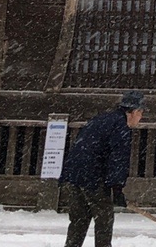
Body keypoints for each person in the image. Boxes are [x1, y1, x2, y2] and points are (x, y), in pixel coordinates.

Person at [61, 90, 144, 247]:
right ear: (133, 112)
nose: (141, 118)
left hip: (74, 174)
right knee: (104, 218)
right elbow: (118, 158)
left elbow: (82, 146)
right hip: (92, 176)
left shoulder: (102, 119)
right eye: (140, 113)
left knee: (79, 219)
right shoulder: (120, 126)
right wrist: (117, 188)